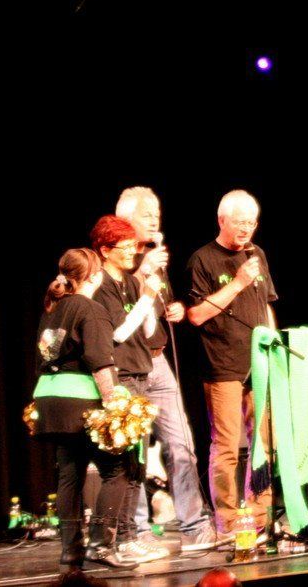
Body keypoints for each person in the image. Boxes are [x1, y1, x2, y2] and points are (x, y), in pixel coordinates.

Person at [115, 187, 220, 551]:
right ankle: (139, 531)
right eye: (147, 214)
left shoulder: (154, 257)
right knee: (136, 453)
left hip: (158, 360)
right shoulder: (115, 258)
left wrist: (173, 307)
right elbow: (119, 311)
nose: (154, 220)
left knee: (182, 445)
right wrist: (143, 270)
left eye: (157, 213)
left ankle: (194, 526)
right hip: (128, 366)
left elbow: (156, 303)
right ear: (126, 218)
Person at [30, 249, 137, 570]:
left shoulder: (53, 309)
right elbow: (100, 361)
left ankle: (71, 549)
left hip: (51, 400)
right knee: (118, 470)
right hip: (81, 401)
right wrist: (115, 405)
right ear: (93, 275)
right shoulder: (91, 309)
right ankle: (101, 545)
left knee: (69, 472)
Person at [187, 190, 277, 535]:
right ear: (221, 220)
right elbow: (196, 314)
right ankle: (227, 520)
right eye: (240, 222)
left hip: (259, 361)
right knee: (226, 445)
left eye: (251, 223)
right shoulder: (202, 259)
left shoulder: (258, 254)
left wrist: (273, 342)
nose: (246, 229)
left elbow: (265, 304)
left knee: (264, 442)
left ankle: (259, 515)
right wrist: (238, 283)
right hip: (222, 363)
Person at [89, 215, 169, 563]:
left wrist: (150, 295)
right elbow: (118, 334)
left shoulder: (130, 282)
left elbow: (146, 330)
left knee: (138, 464)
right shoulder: (102, 286)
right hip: (121, 378)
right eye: (124, 247)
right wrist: (146, 297)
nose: (132, 253)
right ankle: (115, 540)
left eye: (134, 246)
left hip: (141, 373)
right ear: (104, 250)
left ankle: (129, 537)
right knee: (122, 465)